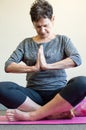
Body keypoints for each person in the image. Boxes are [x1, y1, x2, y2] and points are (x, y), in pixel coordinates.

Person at [0, 0, 86, 121]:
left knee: (83, 82)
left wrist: (47, 66)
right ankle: (49, 113)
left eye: (45, 25)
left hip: (59, 95)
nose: (42, 30)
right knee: (2, 88)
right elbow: (8, 65)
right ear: (33, 24)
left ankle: (33, 115)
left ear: (53, 19)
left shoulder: (63, 40)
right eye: (38, 27)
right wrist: (33, 68)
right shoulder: (26, 43)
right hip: (33, 96)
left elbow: (76, 59)